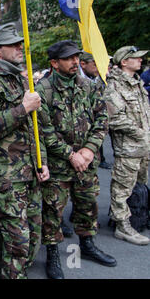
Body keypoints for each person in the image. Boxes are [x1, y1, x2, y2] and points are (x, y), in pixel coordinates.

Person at [0, 22, 50, 279]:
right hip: (7, 177)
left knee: (33, 237)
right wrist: (22, 108)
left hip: (31, 172)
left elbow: (36, 128)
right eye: (13, 44)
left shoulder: (21, 80)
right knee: (17, 242)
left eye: (20, 43)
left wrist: (42, 161)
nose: (20, 47)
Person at [36, 40, 117, 280]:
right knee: (53, 212)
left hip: (86, 163)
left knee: (87, 205)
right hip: (60, 166)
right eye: (69, 58)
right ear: (54, 63)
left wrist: (89, 150)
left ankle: (87, 245)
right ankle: (52, 254)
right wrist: (71, 155)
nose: (75, 62)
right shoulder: (43, 90)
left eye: (76, 57)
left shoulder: (88, 86)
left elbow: (102, 119)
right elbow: (44, 131)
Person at [104, 46, 150, 245]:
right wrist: (141, 133)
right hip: (129, 147)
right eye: (136, 58)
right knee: (122, 188)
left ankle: (136, 217)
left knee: (137, 186)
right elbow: (115, 119)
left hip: (142, 146)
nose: (140, 60)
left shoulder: (136, 83)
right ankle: (122, 226)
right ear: (124, 62)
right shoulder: (114, 86)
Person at [79, 51, 112, 169]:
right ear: (83, 64)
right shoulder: (74, 80)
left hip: (95, 128)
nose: (99, 68)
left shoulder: (99, 79)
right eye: (95, 64)